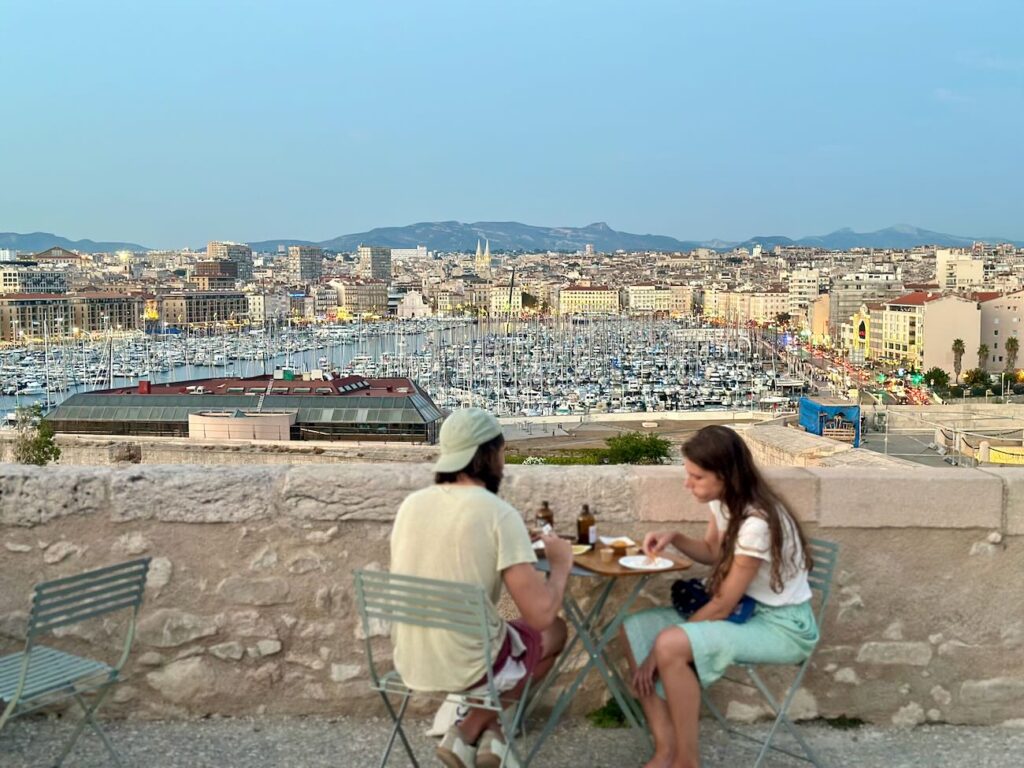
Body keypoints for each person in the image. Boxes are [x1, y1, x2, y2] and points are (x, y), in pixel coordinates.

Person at [622, 425, 819, 768]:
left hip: (783, 627)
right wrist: (675, 537)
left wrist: (657, 651)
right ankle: (665, 746)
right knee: (633, 629)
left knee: (667, 645)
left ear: (725, 476)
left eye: (696, 477)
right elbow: (713, 551)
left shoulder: (756, 523)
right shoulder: (725, 504)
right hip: (748, 613)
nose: (688, 484)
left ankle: (686, 761)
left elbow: (723, 603)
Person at [390, 407, 571, 768]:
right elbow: (540, 614)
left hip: (411, 657)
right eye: (502, 453)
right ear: (488, 455)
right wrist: (561, 564)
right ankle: (474, 729)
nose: (503, 463)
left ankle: (490, 737)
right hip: (468, 664)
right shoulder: (496, 512)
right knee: (555, 631)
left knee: (510, 639)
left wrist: (511, 534)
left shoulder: (412, 505)